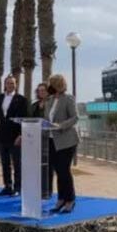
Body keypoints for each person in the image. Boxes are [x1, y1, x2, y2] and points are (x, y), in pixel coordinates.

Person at [45, 74, 79, 213]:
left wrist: (60, 125)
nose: (49, 86)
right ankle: (61, 199)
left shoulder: (69, 99)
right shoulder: (50, 100)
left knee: (64, 171)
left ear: (57, 84)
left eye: (51, 83)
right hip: (52, 140)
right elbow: (47, 118)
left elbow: (75, 117)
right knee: (58, 171)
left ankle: (70, 200)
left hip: (67, 141)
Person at [0, 76, 28, 196]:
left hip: (15, 137)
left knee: (17, 163)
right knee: (5, 163)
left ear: (16, 85)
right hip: (2, 135)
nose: (11, 85)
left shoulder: (22, 99)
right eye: (8, 83)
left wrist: (21, 135)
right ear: (5, 84)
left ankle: (18, 188)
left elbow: (25, 119)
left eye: (13, 83)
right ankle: (7, 186)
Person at [31, 82, 53, 199]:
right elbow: (29, 119)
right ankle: (38, 190)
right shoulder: (34, 105)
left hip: (49, 138)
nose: (41, 92)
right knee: (37, 166)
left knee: (48, 166)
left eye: (43, 90)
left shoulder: (52, 104)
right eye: (39, 90)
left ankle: (47, 191)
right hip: (35, 139)